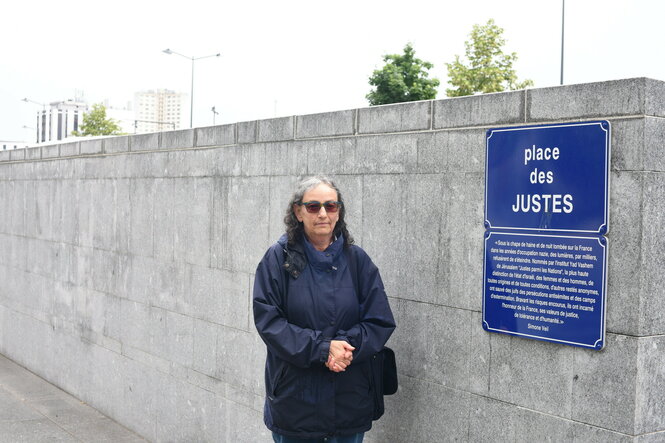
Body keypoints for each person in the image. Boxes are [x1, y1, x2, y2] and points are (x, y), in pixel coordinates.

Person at [253, 176, 396, 443]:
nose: (322, 214)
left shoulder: (358, 261)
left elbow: (380, 321)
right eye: (313, 206)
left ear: (339, 212)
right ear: (298, 211)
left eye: (331, 206)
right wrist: (323, 349)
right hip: (295, 404)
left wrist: (344, 347)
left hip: (349, 401)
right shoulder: (277, 260)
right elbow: (270, 323)